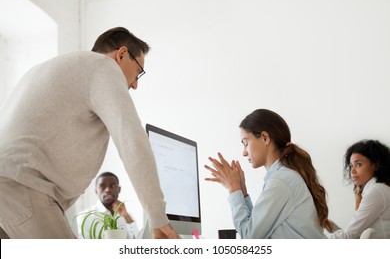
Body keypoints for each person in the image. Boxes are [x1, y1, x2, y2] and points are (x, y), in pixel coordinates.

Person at [0, 27, 179, 239]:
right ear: (121, 54)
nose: (135, 84)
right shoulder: (104, 67)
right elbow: (132, 141)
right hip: (23, 188)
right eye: (138, 72)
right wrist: (158, 218)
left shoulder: (52, 67)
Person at [205, 108, 333, 238]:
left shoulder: (281, 181)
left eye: (245, 143)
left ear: (265, 138)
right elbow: (257, 228)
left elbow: (250, 237)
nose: (244, 152)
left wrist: (234, 190)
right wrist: (242, 193)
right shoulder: (283, 177)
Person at [328, 139, 390, 239]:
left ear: (376, 165)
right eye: (351, 165)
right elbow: (355, 234)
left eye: (358, 164)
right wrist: (329, 226)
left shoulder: (377, 191)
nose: (352, 171)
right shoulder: (376, 189)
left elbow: (350, 235)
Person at [77, 172, 139, 239]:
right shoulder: (84, 217)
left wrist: (126, 216)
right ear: (96, 190)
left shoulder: (125, 216)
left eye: (112, 186)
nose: (107, 190)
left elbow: (138, 241)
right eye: (102, 186)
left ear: (119, 189)